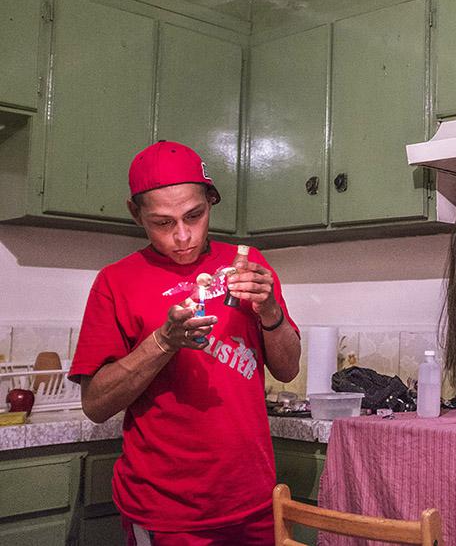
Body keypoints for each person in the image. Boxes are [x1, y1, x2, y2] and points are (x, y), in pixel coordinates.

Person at [68, 140, 302, 545]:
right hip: (167, 511)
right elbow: (96, 405)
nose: (182, 235)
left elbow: (287, 368)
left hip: (254, 499)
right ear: (135, 213)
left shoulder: (249, 264)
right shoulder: (115, 282)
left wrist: (270, 313)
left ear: (211, 200)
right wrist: (163, 342)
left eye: (194, 215)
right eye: (162, 222)